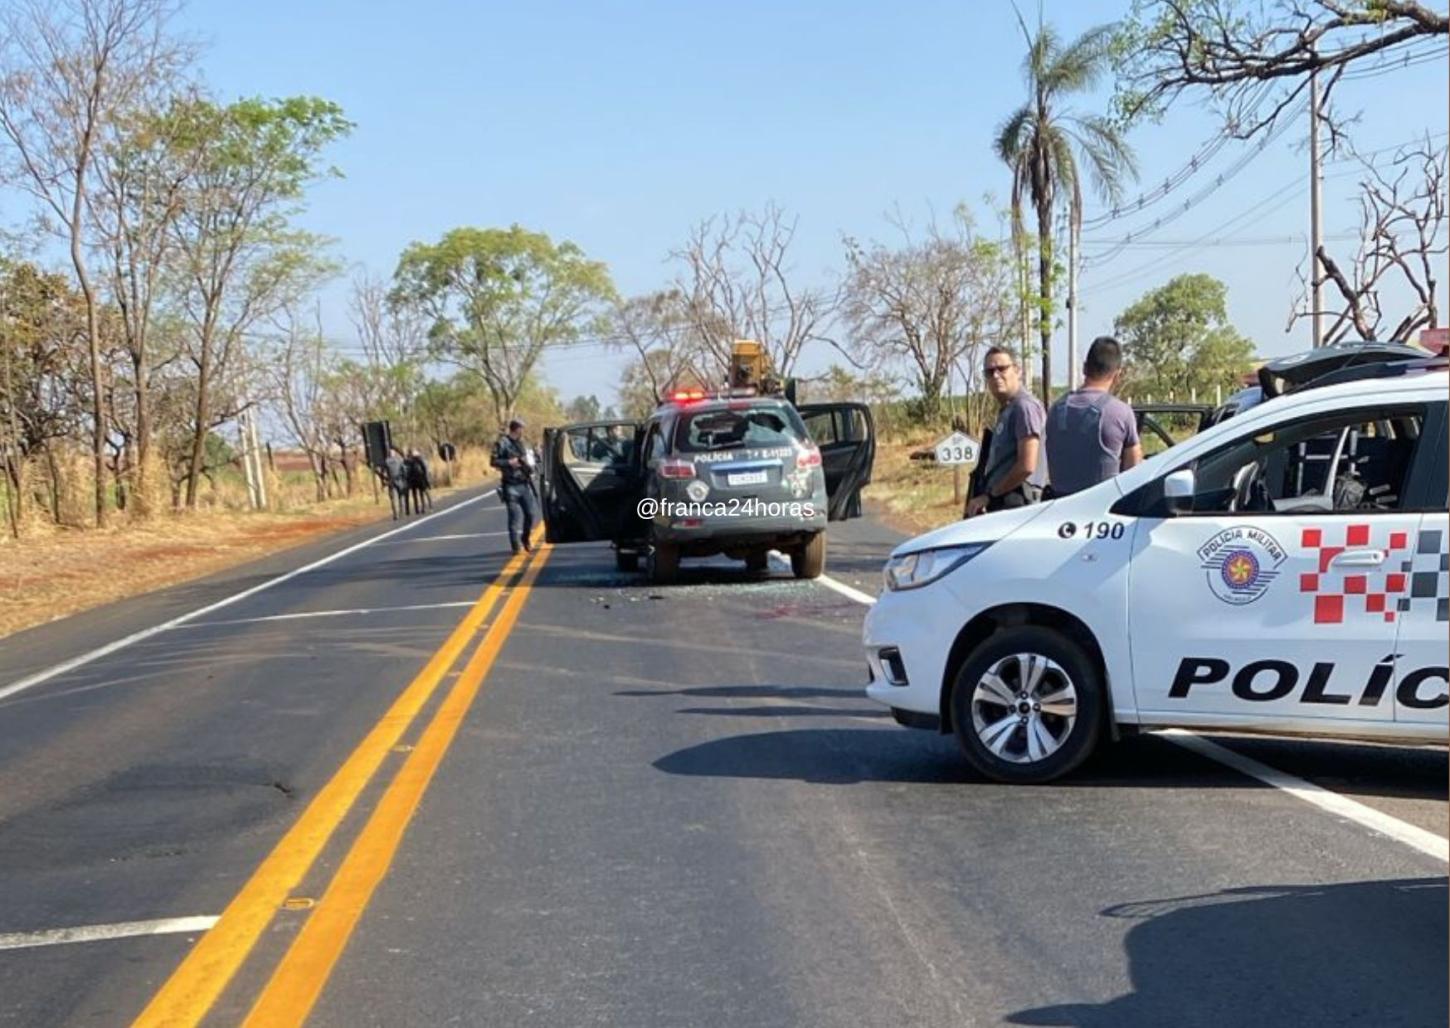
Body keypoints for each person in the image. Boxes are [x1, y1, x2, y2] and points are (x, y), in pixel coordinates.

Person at [1044, 335, 1143, 498]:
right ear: (1118, 375)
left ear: (1084, 368)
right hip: (1103, 511)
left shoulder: (1056, 410)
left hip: (1058, 510)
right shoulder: (1121, 413)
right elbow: (1133, 473)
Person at [966, 346, 1046, 517]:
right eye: (989, 372)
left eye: (1002, 368)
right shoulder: (1007, 409)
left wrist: (990, 495)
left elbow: (1027, 466)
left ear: (1017, 370)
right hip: (1004, 503)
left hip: (1019, 505)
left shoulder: (1024, 407)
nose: (995, 375)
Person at [492, 418, 539, 554]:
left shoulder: (522, 444)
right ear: (515, 428)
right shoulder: (502, 443)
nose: (522, 431)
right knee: (514, 518)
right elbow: (493, 461)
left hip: (524, 484)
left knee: (530, 514)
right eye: (521, 428)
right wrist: (508, 462)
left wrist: (530, 466)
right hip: (510, 485)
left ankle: (525, 538)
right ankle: (515, 546)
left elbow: (530, 460)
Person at [405, 448, 433, 513]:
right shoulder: (413, 461)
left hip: (422, 479)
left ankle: (430, 506)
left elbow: (425, 469)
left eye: (414, 453)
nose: (413, 455)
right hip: (418, 480)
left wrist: (426, 478)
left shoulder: (420, 460)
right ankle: (424, 508)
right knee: (422, 494)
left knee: (426, 493)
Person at [384, 447, 410, 518]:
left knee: (393, 499)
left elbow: (385, 472)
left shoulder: (387, 461)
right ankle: (402, 512)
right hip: (399, 481)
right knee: (401, 497)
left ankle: (396, 514)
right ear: (394, 453)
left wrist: (386, 480)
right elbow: (404, 469)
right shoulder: (399, 460)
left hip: (391, 481)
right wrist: (405, 478)